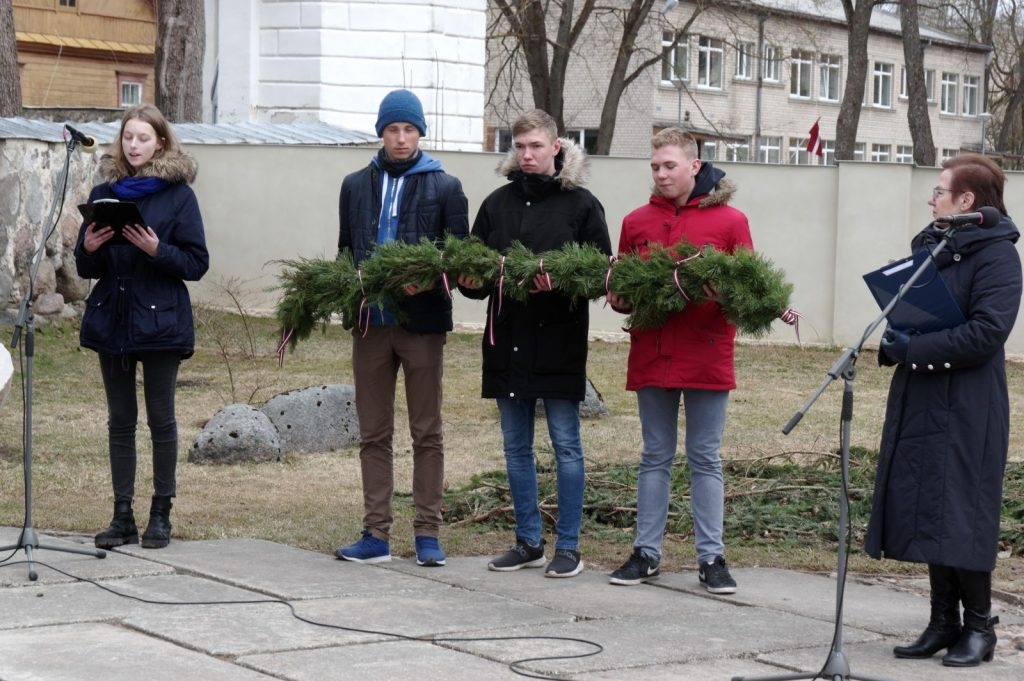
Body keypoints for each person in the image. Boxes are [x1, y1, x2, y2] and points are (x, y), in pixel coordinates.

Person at [865, 153, 1021, 668]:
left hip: (971, 402)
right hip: (923, 395)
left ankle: (979, 627)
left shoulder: (999, 256)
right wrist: (894, 340)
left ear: (966, 201)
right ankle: (942, 621)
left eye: (939, 191)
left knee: (963, 511)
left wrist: (912, 348)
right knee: (928, 502)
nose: (931, 199)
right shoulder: (933, 246)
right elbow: (918, 313)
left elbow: (986, 333)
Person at [458, 109, 611, 578]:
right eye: (520, 146)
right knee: (515, 447)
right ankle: (528, 542)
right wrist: (467, 281)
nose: (527, 155)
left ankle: (568, 547)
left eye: (536, 146)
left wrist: (561, 284)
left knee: (566, 445)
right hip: (506, 342)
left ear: (556, 147)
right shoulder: (496, 205)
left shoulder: (583, 205)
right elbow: (476, 273)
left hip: (559, 343)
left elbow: (600, 274)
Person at [605, 128, 751, 594]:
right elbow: (622, 288)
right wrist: (620, 298)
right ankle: (646, 553)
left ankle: (712, 557)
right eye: (654, 166)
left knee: (705, 456)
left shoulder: (730, 222)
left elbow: (750, 296)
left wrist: (724, 292)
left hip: (706, 353)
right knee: (654, 455)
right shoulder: (635, 222)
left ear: (694, 165)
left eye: (669, 165)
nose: (661, 174)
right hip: (653, 352)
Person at [334, 89, 469, 567]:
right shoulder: (355, 184)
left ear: (421, 133)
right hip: (372, 324)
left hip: (422, 325)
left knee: (426, 431)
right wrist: (350, 296)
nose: (401, 138)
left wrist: (430, 281)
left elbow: (458, 259)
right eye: (393, 129)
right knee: (373, 433)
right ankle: (375, 533)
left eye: (409, 129)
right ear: (381, 132)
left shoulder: (446, 187)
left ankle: (428, 534)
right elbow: (346, 252)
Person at [75, 104, 209, 550]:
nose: (134, 146)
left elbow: (196, 264)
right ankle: (122, 516)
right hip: (113, 319)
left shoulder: (179, 196)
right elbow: (86, 264)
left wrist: (157, 250)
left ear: (162, 143)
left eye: (143, 138)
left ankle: (160, 516)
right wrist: (90, 247)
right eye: (128, 137)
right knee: (120, 421)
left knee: (161, 420)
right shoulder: (104, 191)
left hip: (161, 321)